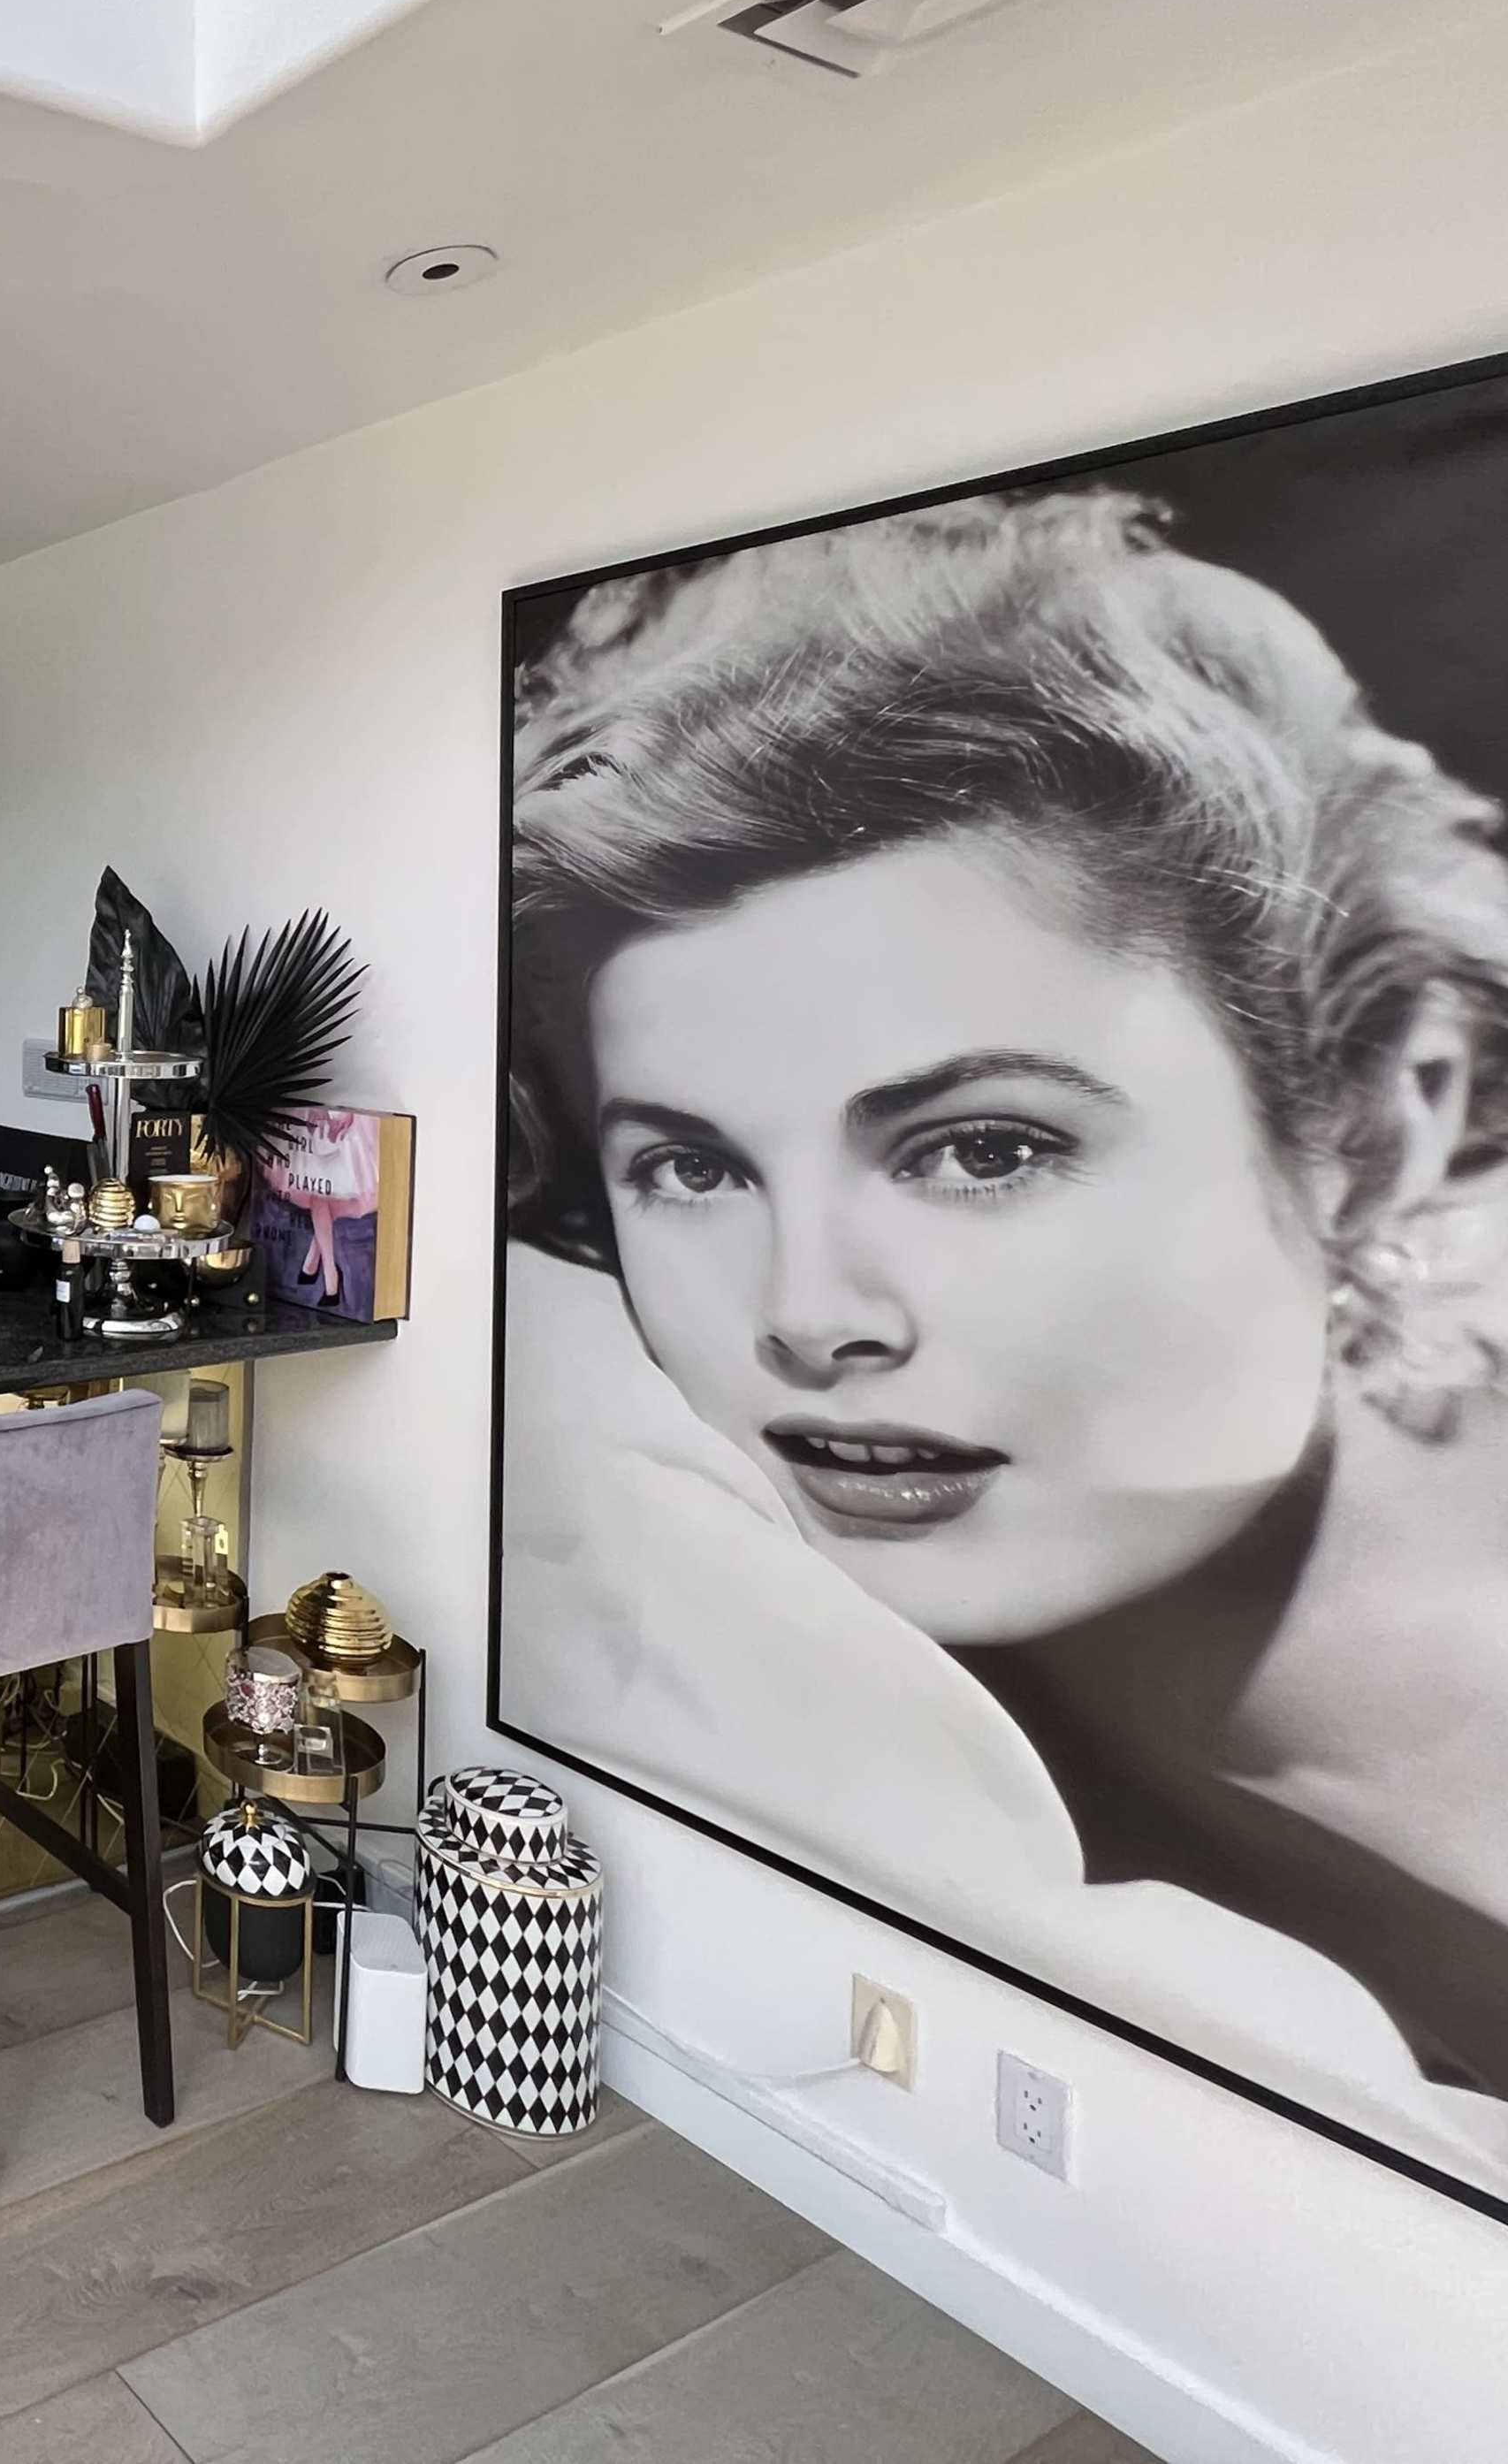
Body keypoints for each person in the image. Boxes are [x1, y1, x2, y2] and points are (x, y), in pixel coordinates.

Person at [503, 486, 1508, 2115]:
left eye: (981, 1147)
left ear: (1376, 1124)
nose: (810, 1318)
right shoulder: (872, 1742)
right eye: (692, 1171)